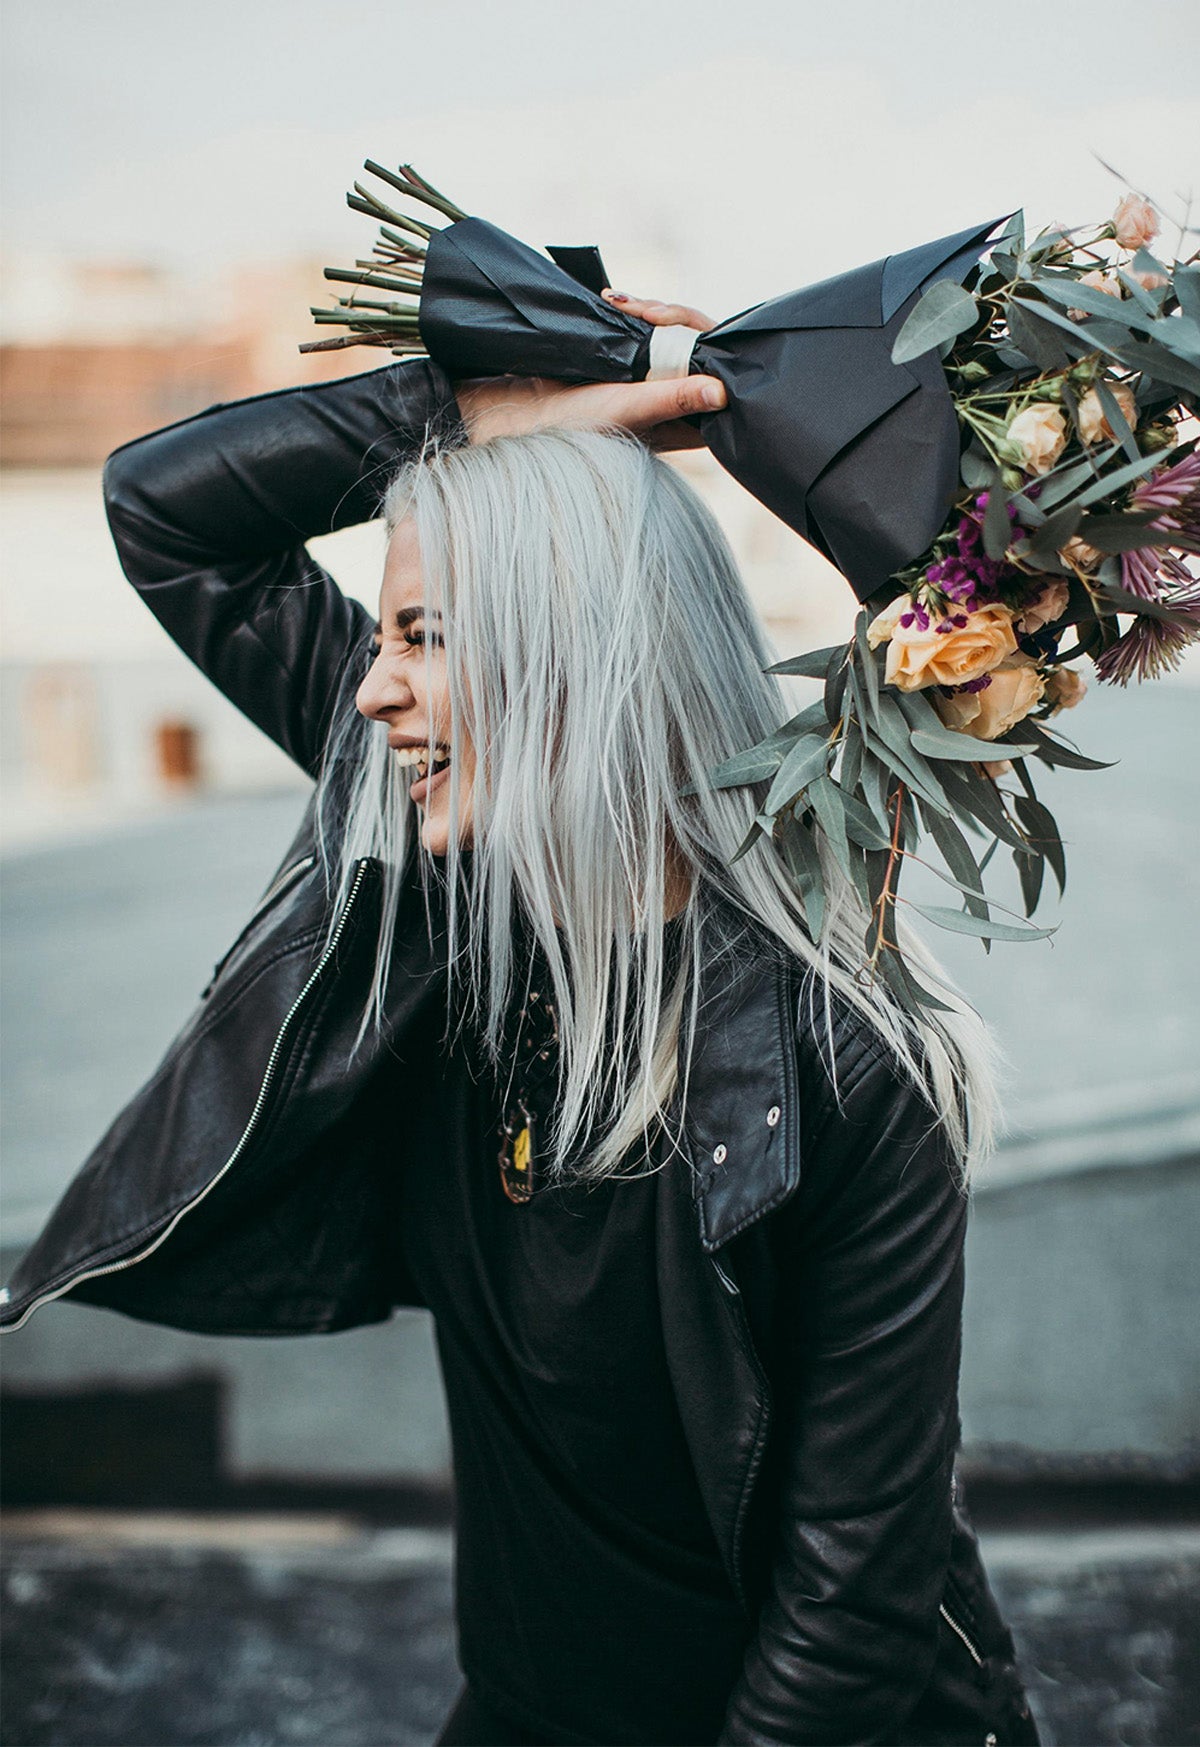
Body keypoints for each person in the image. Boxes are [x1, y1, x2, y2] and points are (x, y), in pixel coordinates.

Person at [0, 296, 1040, 1746]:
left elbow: (852, 1603)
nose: (373, 688)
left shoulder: (847, 1063)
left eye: (425, 634)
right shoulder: (439, 904)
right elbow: (166, 515)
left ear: (575, 648)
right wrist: (500, 409)